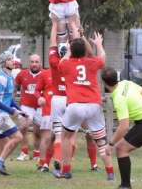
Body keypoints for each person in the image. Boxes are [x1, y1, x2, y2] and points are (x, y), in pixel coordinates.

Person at [55, 33, 114, 180]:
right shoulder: (91, 62)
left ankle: (66, 171)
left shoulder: (66, 64)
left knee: (66, 137)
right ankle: (110, 173)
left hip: (75, 105)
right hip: (94, 105)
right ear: (85, 51)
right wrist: (99, 44)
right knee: (101, 140)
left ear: (71, 51)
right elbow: (103, 58)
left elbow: (62, 61)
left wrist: (68, 50)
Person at [0, 52, 28, 176]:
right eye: (9, 59)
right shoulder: (0, 78)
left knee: (1, 144)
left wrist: (20, 111)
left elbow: (9, 99)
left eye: (12, 59)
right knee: (18, 137)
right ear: (3, 63)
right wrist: (10, 111)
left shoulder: (9, 77)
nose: (12, 61)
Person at [14, 54, 43, 161]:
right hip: (26, 106)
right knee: (23, 127)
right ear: (29, 63)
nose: (34, 64)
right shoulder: (22, 74)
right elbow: (14, 86)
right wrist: (12, 101)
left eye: (36, 62)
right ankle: (24, 152)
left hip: (40, 107)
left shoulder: (45, 74)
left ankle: (37, 153)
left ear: (40, 63)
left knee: (38, 131)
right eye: (32, 62)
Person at [34, 68, 56, 172]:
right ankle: (42, 163)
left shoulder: (68, 70)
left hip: (64, 110)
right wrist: (39, 97)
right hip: (48, 109)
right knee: (47, 137)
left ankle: (50, 163)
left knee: (57, 138)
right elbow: (37, 90)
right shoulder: (45, 73)